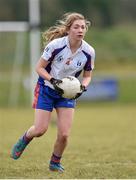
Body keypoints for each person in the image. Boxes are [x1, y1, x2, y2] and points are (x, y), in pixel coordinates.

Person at [11, 12, 95, 172]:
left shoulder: (89, 51)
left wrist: (82, 87)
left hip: (66, 94)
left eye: (83, 27)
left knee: (64, 134)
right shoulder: (56, 45)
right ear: (69, 29)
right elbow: (39, 68)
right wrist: (53, 80)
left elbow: (87, 76)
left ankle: (55, 162)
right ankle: (25, 138)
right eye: (76, 27)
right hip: (47, 89)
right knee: (40, 129)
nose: (80, 30)